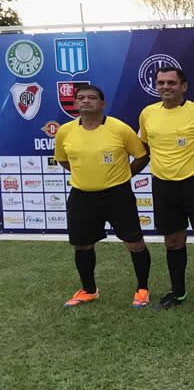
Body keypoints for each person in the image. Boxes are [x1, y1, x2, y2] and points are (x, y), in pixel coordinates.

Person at [55, 85, 152, 308]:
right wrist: (86, 174)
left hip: (117, 195)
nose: (86, 101)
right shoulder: (65, 131)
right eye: (81, 98)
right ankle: (89, 290)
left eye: (92, 98)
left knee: (134, 243)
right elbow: (62, 159)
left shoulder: (119, 129)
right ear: (75, 103)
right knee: (82, 245)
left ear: (102, 104)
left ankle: (142, 289)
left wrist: (124, 174)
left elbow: (141, 156)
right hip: (81, 196)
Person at [139, 67, 194, 313]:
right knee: (173, 241)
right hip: (163, 185)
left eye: (171, 83)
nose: (166, 87)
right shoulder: (147, 114)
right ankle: (177, 292)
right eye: (161, 82)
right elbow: (144, 145)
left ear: (183, 86)